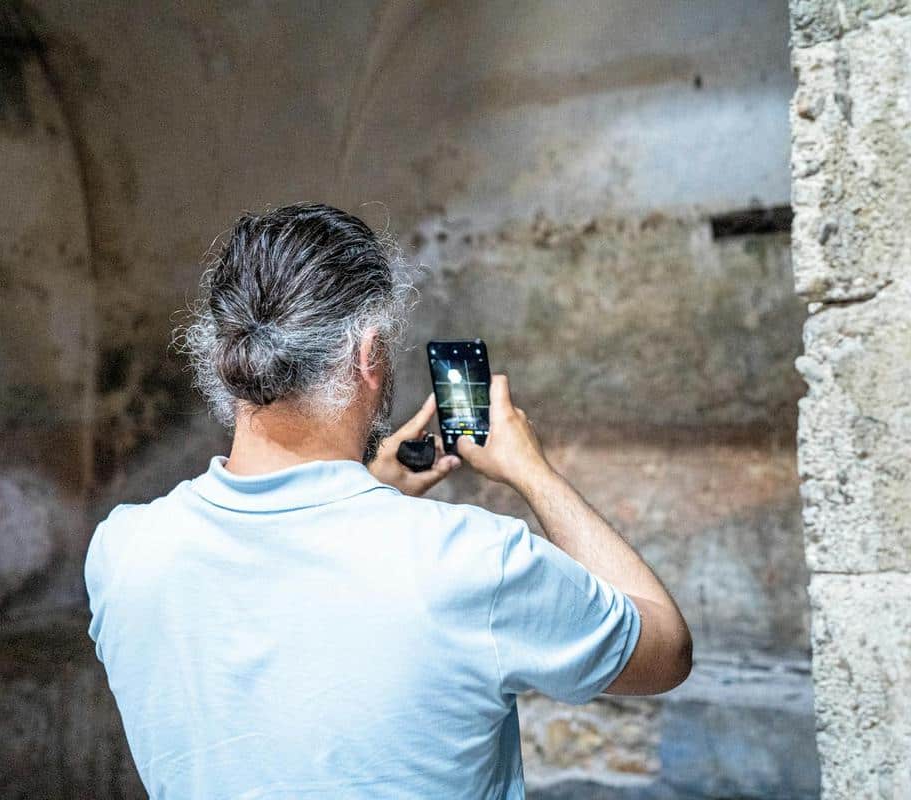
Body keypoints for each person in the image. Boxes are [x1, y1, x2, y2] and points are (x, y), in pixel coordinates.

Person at [85, 203, 692, 799]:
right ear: (368, 354)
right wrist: (534, 474)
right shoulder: (471, 561)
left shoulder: (123, 552)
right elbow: (665, 650)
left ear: (224, 358)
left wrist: (373, 491)